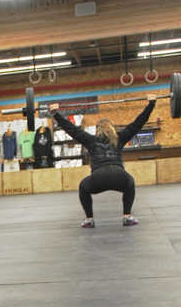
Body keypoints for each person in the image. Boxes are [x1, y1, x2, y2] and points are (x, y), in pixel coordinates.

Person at [49, 97, 157, 227]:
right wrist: (151, 104)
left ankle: (89, 219)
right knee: (130, 182)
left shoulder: (90, 140)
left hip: (98, 177)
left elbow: (71, 129)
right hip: (119, 175)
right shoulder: (120, 138)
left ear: (97, 130)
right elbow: (138, 123)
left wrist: (55, 114)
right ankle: (127, 217)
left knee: (83, 187)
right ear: (112, 129)